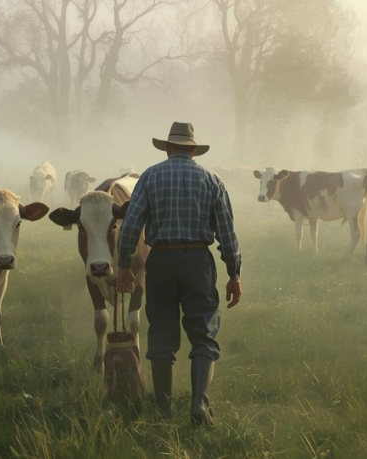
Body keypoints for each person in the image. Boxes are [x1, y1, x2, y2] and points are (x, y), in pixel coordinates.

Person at [116, 121, 242, 428]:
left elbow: (131, 224)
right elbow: (227, 232)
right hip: (199, 260)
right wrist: (233, 273)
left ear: (169, 148)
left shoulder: (150, 177)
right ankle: (199, 403)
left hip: (159, 260)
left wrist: (123, 265)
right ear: (194, 150)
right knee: (203, 334)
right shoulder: (212, 180)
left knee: (161, 333)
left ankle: (163, 411)